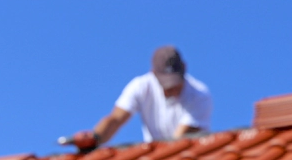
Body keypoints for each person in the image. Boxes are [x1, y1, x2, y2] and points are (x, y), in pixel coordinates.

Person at [67, 46, 213, 151]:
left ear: (184, 69)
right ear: (153, 74)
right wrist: (95, 138)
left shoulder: (199, 95)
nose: (171, 89)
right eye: (166, 84)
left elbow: (176, 142)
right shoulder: (141, 86)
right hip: (157, 154)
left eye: (175, 83)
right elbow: (116, 119)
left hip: (188, 154)